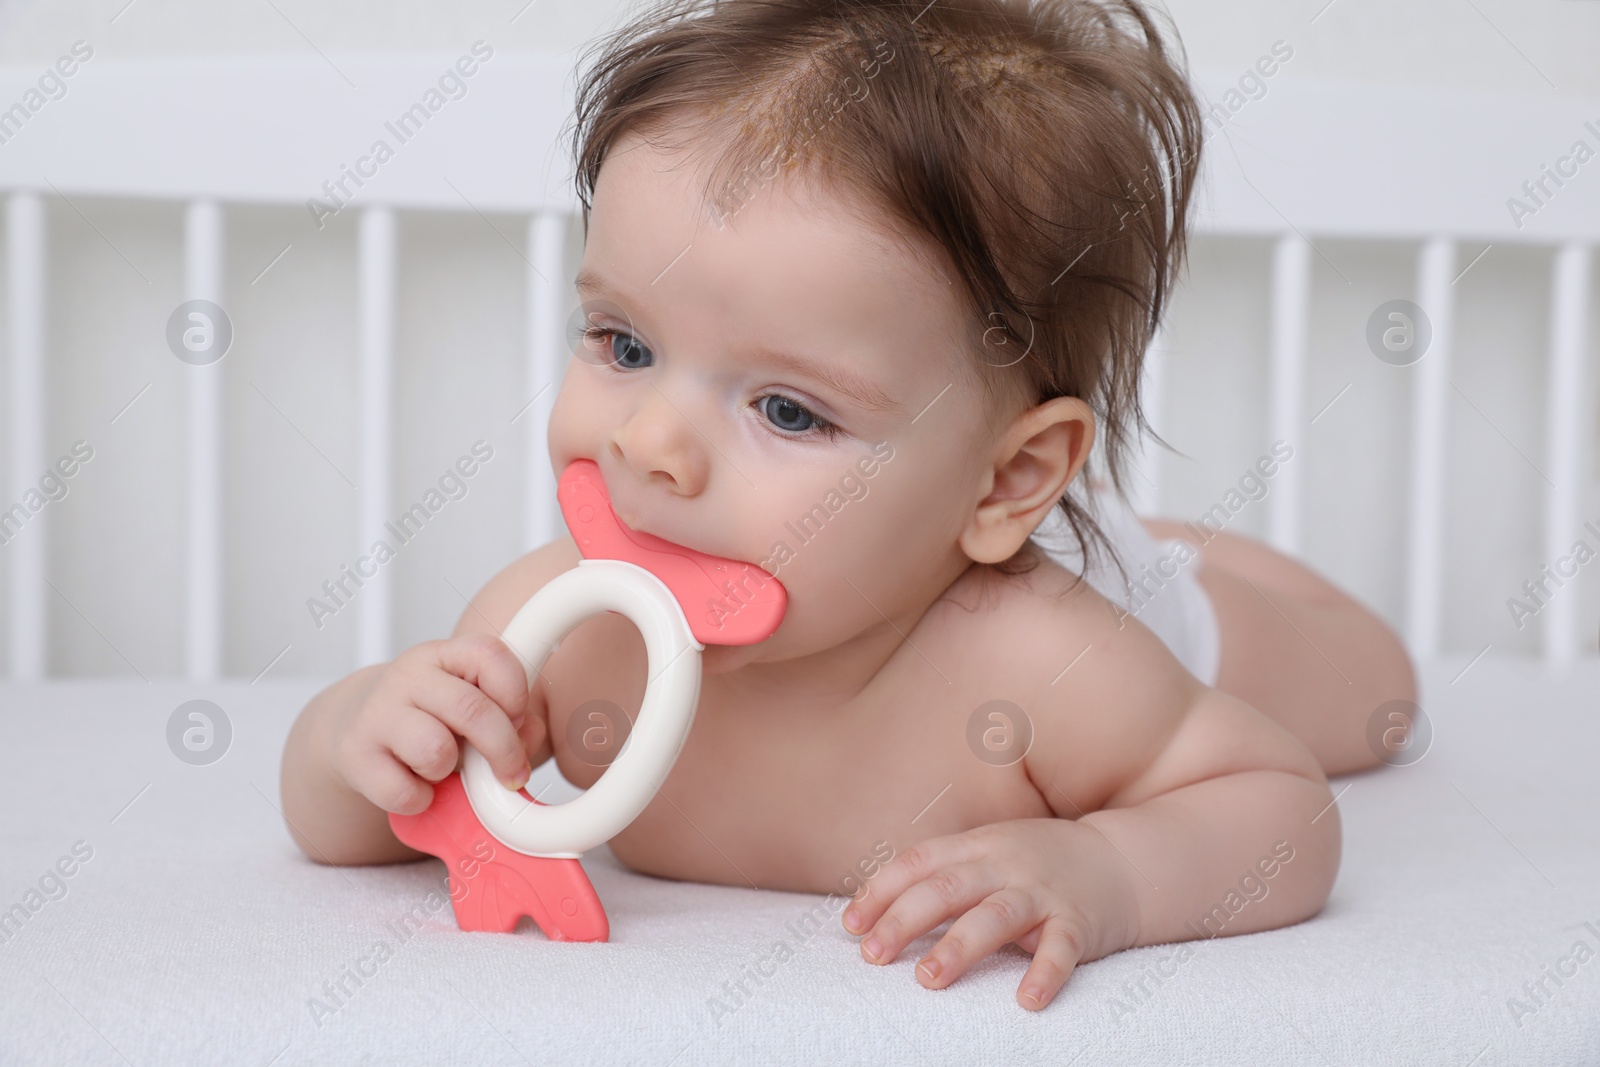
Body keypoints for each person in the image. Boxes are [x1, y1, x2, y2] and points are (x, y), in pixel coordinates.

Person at [280, 0, 1417, 1011]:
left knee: (1376, 691)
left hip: (1147, 605)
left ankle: (1174, 552)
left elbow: (1283, 807)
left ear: (1005, 479)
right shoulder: (559, 632)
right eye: (624, 343)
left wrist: (1111, 870)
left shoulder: (1041, 664)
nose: (651, 447)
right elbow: (337, 819)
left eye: (784, 410)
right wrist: (361, 740)